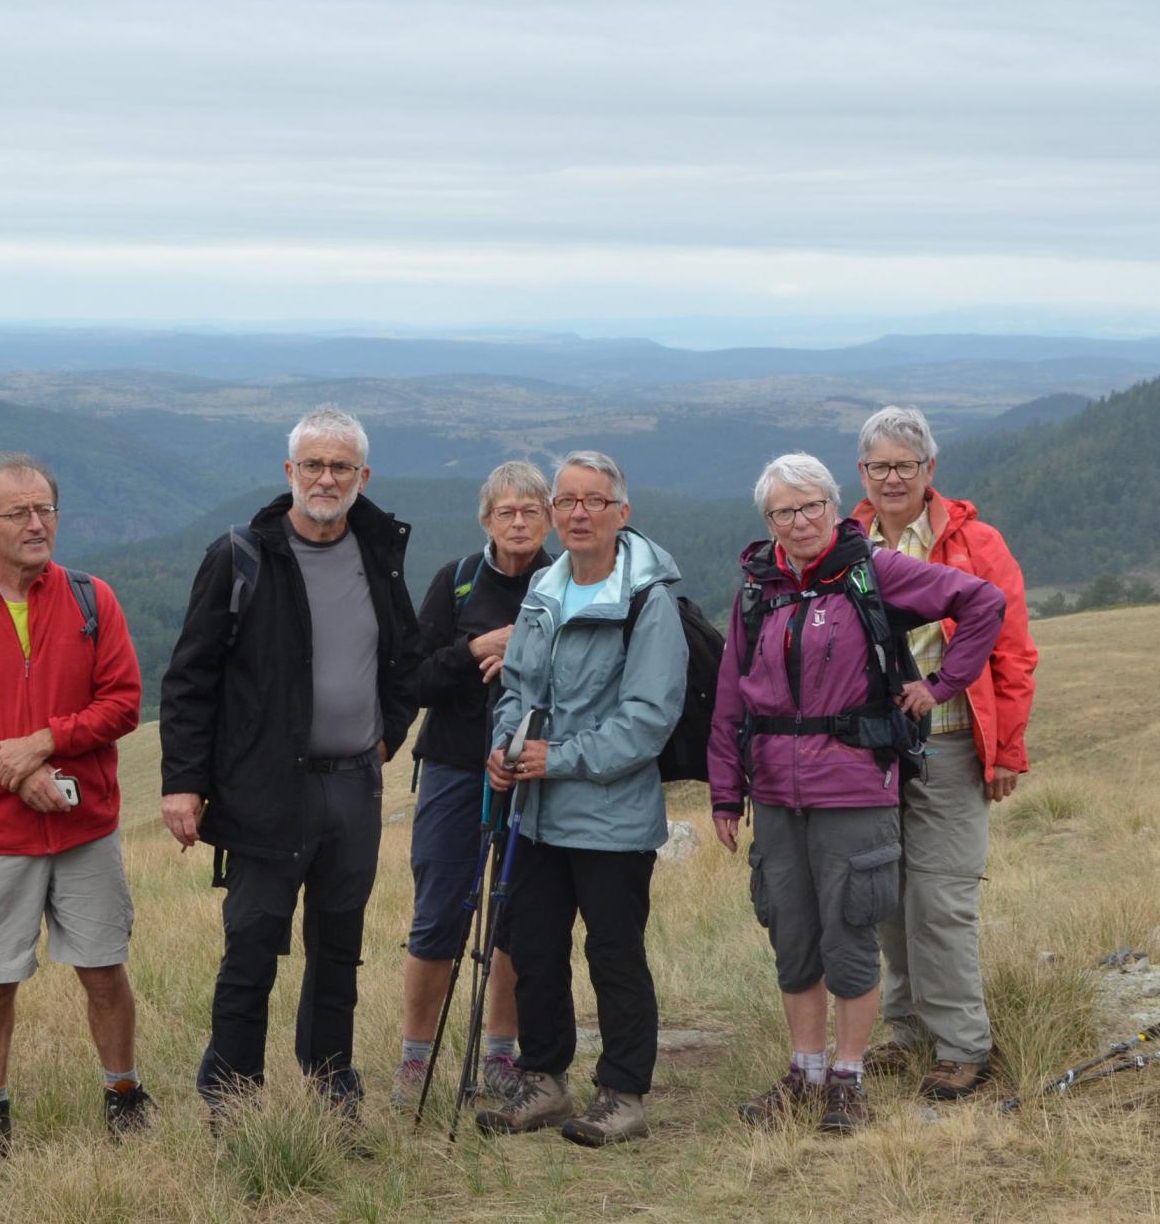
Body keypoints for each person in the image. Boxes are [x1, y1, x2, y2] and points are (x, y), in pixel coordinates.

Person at [707, 453, 1005, 1133]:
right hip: (778, 795)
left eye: (812, 506)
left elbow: (982, 602)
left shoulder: (874, 571)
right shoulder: (756, 590)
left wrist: (939, 685)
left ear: (834, 507)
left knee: (849, 933)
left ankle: (848, 1077)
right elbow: (731, 698)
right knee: (793, 935)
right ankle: (804, 1072)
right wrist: (726, 793)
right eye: (786, 511)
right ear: (769, 522)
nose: (802, 520)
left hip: (854, 788)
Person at [160, 407, 419, 1115]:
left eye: (340, 467)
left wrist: (386, 733)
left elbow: (404, 656)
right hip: (265, 792)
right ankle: (233, 1100)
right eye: (314, 465)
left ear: (362, 477)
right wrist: (183, 783)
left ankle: (332, 1090)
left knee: (338, 952)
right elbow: (190, 678)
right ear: (289, 473)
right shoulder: (242, 555)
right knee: (251, 949)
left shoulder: (378, 551)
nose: (326, 479)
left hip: (354, 789)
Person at [0, 454, 148, 1154]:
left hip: (84, 826)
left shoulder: (90, 598)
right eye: (19, 513)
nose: (37, 523)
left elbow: (125, 701)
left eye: (45, 509)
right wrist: (11, 769)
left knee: (104, 967)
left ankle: (124, 1092)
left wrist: (46, 742)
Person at [475, 451, 686, 1148]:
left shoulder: (648, 600)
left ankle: (623, 1092)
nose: (579, 513)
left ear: (622, 513)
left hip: (611, 817)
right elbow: (519, 692)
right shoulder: (546, 587)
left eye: (595, 501)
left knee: (614, 953)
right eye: (567, 501)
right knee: (533, 946)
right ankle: (543, 1078)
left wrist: (554, 759)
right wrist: (506, 751)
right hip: (536, 812)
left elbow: (648, 719)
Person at [849, 406, 1037, 1100]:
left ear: (931, 470)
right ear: (862, 473)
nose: (893, 477)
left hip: (952, 739)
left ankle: (964, 1045)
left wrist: (1007, 751)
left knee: (942, 898)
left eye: (906, 464)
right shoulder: (848, 541)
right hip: (871, 749)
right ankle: (907, 1033)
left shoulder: (975, 541)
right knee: (887, 897)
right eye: (879, 466)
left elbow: (1013, 651)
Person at [394, 460, 553, 1103]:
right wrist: (477, 648)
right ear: (486, 519)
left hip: (537, 770)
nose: (519, 522)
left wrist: (527, 652)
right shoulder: (456, 581)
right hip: (456, 768)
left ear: (548, 517)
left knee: (513, 918)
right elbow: (413, 677)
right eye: (506, 512)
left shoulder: (563, 581)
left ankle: (498, 1056)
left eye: (531, 511)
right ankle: (415, 1061)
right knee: (438, 915)